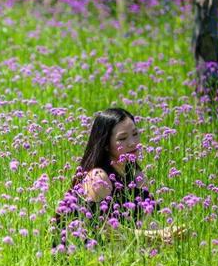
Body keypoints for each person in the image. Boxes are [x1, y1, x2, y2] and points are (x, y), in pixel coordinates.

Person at [51, 107, 186, 250]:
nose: (132, 142)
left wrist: (168, 234)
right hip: (83, 252)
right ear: (106, 145)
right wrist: (155, 236)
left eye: (135, 134)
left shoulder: (137, 175)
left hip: (123, 249)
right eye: (122, 138)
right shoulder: (98, 178)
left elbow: (148, 220)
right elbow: (102, 231)